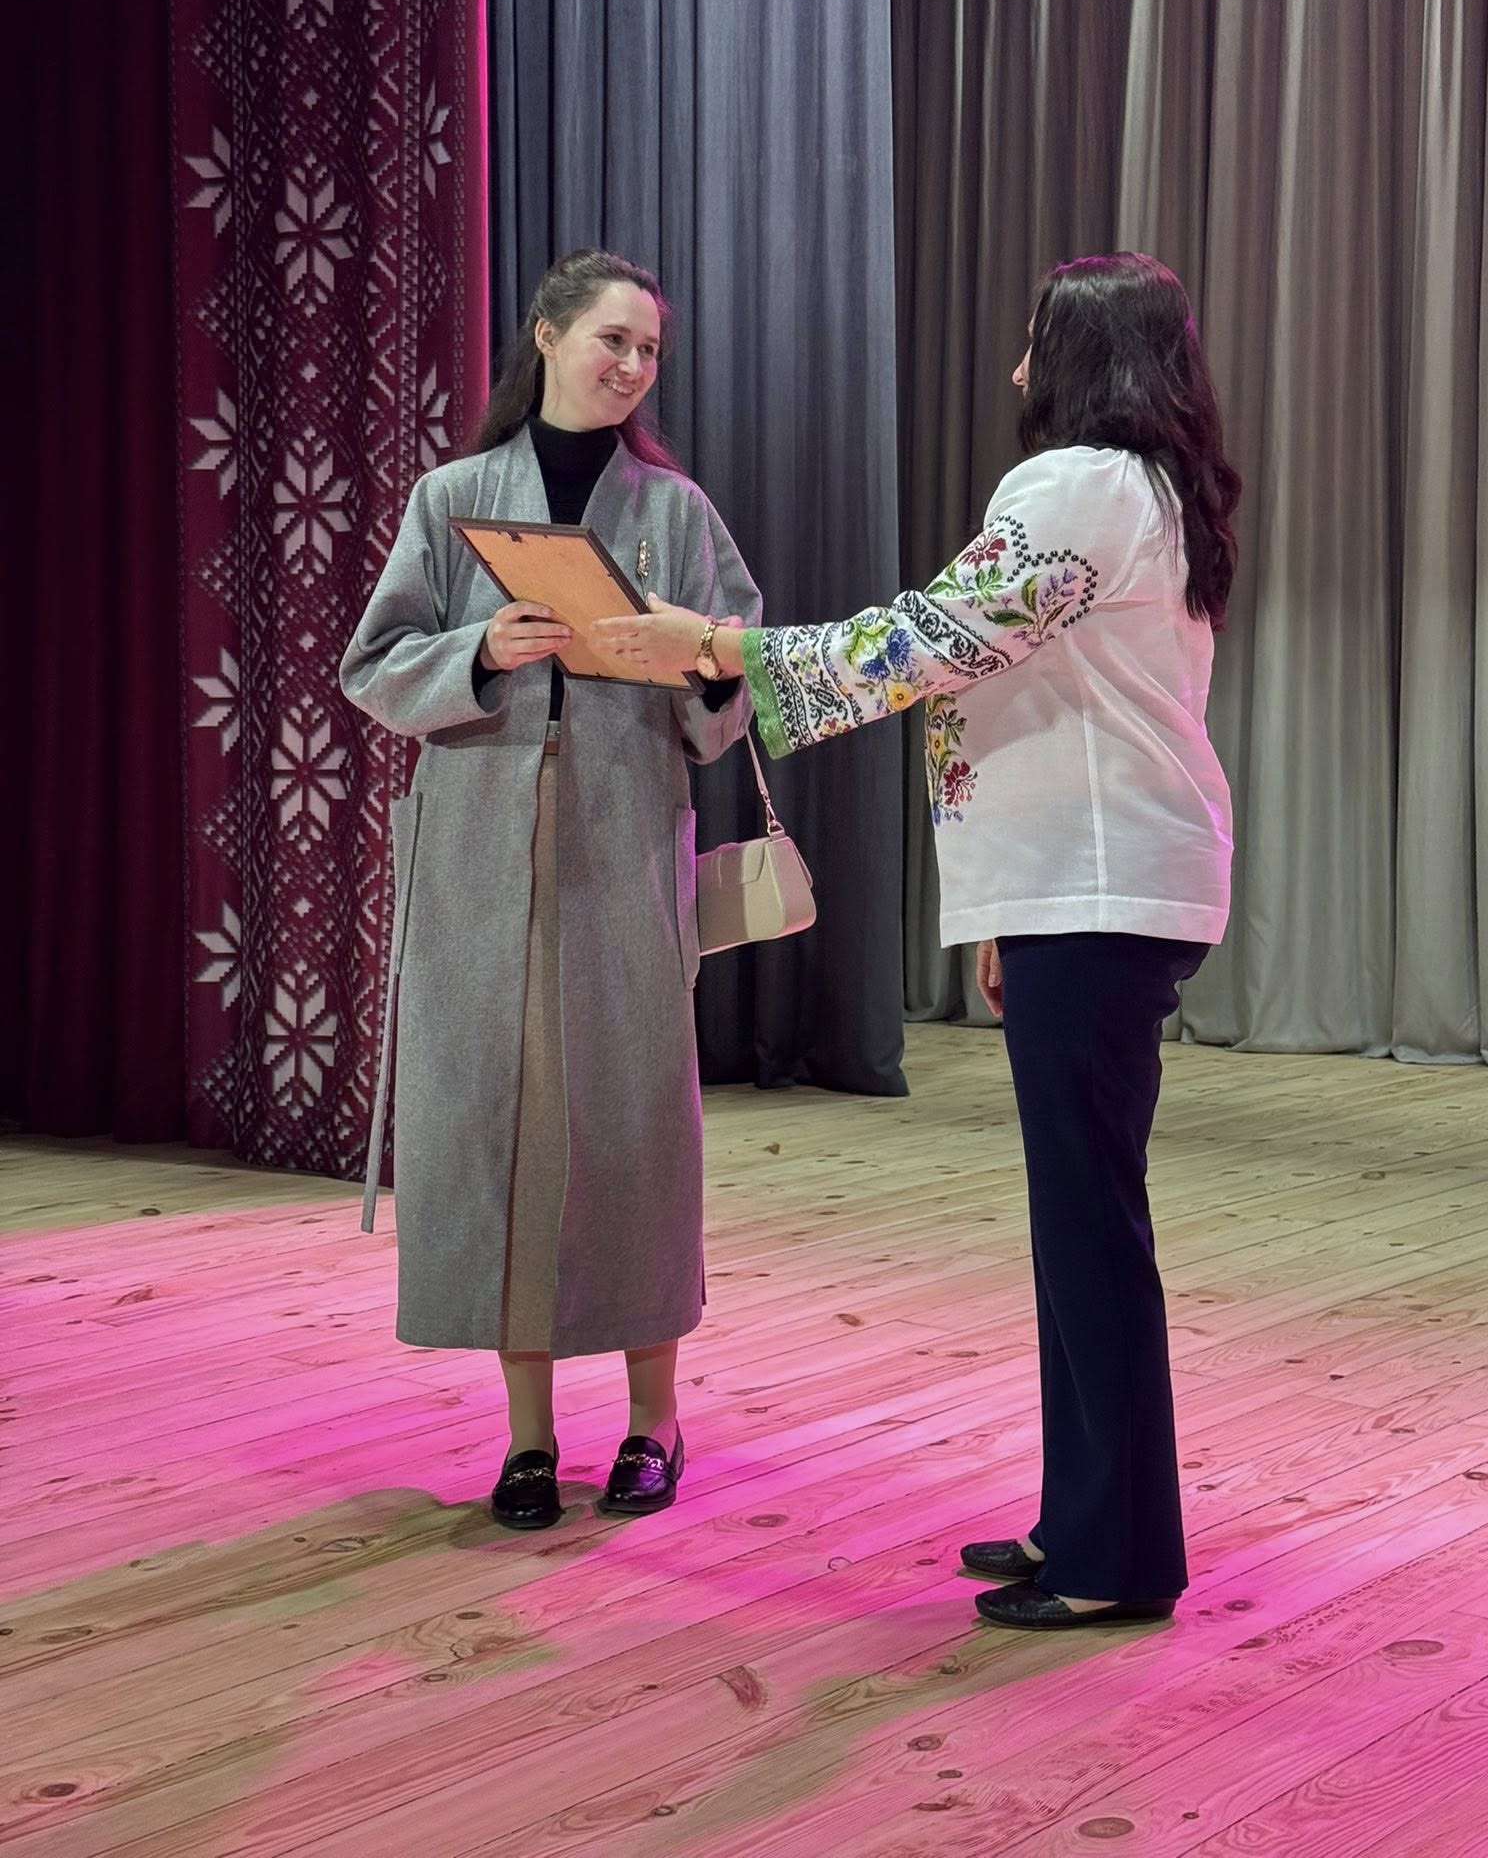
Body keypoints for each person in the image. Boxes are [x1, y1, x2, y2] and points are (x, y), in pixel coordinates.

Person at [594, 252, 1240, 1628]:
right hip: (1092, 888)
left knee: (1090, 1229)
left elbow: (935, 640)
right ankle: (1085, 1521)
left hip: (1095, 886)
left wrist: (726, 649)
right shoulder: (1151, 489)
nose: (1015, 367)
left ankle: (1117, 1557)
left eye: (1034, 341)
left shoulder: (1077, 484)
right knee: (1081, 1224)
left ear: (1083, 356)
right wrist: (1008, 913)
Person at [340, 249, 760, 1531]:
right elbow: (375, 662)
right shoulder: (455, 496)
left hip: (623, 838)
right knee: (497, 1124)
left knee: (636, 1124)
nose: (632, 365)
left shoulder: (673, 509)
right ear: (547, 335)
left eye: (649, 350)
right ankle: (529, 1438)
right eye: (612, 340)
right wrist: (480, 646)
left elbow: (737, 670)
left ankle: (654, 1420)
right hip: (478, 844)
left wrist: (692, 659)